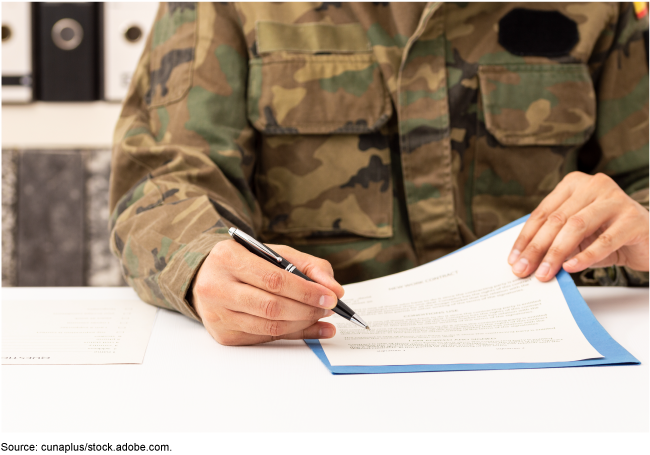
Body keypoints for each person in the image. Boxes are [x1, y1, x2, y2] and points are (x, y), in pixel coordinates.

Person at [109, 2, 649, 346]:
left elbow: (638, 182)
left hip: (555, 367)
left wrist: (642, 227)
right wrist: (202, 261)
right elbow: (162, 178)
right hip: (309, 361)